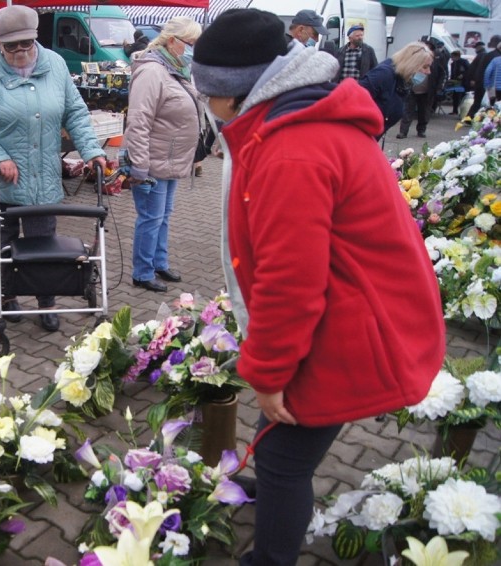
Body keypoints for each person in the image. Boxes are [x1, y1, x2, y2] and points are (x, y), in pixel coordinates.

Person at [191, 9, 445, 565]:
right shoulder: (291, 120)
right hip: (343, 311)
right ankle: (272, 486)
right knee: (280, 440)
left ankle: (272, 555)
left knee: (286, 463)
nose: (206, 107)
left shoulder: (292, 149)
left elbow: (292, 282)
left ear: (236, 92)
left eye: (208, 94)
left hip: (344, 325)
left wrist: (268, 372)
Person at [0, 5, 106, 333]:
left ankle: (46, 301)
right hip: (2, 180)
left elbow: (75, 112)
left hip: (42, 179)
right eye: (12, 46)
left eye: (27, 43)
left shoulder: (54, 63)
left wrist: (92, 150)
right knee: (4, 244)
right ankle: (7, 297)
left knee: (43, 243)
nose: (22, 52)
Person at [124, 17, 202, 293]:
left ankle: (158, 262)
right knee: (151, 217)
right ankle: (142, 272)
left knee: (163, 215)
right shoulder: (152, 71)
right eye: (190, 43)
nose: (193, 49)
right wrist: (140, 165)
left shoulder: (175, 68)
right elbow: (139, 120)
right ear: (172, 41)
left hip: (170, 159)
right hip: (154, 161)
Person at [359, 41, 433, 137]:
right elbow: (354, 102)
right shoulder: (383, 75)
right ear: (411, 64)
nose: (428, 72)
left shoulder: (403, 82)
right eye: (425, 67)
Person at [396, 39, 445, 139]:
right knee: (407, 112)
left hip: (427, 91)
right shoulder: (414, 59)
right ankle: (403, 132)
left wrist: (439, 87)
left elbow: (442, 74)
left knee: (424, 112)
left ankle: (421, 131)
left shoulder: (435, 60)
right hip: (411, 90)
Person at [466, 36, 501, 117]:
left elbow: (485, 70)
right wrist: (487, 85)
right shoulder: (495, 57)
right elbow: (488, 72)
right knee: (492, 105)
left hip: (484, 84)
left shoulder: (489, 55)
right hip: (491, 86)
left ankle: (470, 118)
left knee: (478, 102)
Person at [449, 50, 469, 114]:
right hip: (456, 82)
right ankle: (455, 110)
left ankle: (462, 111)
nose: (452, 58)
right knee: (455, 97)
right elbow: (452, 73)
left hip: (463, 83)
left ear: (457, 56)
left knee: (462, 97)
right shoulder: (453, 64)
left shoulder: (464, 62)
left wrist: (463, 75)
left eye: (452, 57)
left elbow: (469, 70)